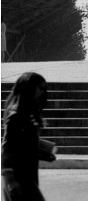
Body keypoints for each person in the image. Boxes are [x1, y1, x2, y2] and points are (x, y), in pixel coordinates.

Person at [2, 72, 48, 201]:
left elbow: (22, 145)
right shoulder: (16, 116)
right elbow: (6, 149)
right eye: (40, 88)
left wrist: (42, 152)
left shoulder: (28, 115)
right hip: (18, 178)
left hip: (28, 175)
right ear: (29, 88)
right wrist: (9, 179)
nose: (43, 93)